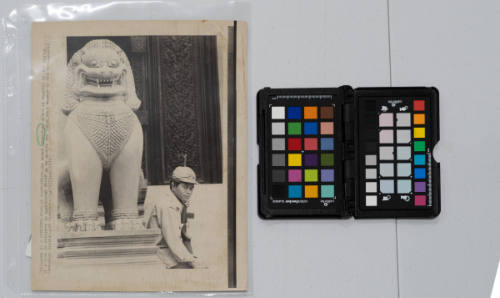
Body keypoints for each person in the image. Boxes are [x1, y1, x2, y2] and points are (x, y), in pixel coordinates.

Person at [143, 166, 199, 268]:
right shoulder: (168, 205)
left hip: (168, 250)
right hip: (158, 252)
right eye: (185, 187)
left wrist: (192, 259)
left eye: (191, 188)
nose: (188, 192)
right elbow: (173, 240)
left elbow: (184, 237)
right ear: (173, 185)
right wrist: (192, 262)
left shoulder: (177, 202)